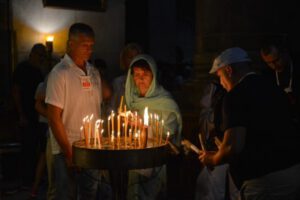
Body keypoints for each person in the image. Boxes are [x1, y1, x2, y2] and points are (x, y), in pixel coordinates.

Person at [199, 47, 300, 199]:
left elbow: (233, 146)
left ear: (229, 70)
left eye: (220, 76)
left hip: (265, 181)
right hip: (294, 172)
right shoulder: (273, 87)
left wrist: (213, 158)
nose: (221, 82)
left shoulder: (235, 95)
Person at [45, 22, 112, 199]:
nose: (89, 50)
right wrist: (68, 153)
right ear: (70, 44)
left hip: (93, 146)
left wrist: (95, 72)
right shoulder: (60, 73)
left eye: (91, 46)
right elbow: (54, 117)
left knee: (92, 193)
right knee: (67, 194)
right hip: (69, 147)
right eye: (84, 45)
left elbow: (107, 93)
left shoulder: (92, 71)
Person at [125, 54, 182, 199]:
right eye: (137, 74)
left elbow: (168, 135)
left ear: (154, 76)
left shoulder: (166, 103)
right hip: (134, 160)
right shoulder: (133, 101)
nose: (140, 79)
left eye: (145, 74)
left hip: (156, 162)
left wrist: (144, 126)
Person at [195, 79, 239, 200]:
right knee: (209, 188)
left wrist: (217, 153)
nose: (205, 94)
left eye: (208, 92)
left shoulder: (222, 108)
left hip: (221, 155)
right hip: (213, 155)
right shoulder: (206, 113)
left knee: (227, 189)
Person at [12, 43, 46, 189]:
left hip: (37, 114)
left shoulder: (38, 72)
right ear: (32, 54)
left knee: (37, 147)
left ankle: (33, 178)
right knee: (28, 147)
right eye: (39, 55)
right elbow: (16, 91)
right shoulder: (22, 68)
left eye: (42, 56)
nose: (41, 58)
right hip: (26, 113)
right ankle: (26, 179)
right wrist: (21, 114)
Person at [260, 42, 300, 126]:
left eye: (276, 60)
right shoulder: (266, 75)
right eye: (268, 63)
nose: (274, 66)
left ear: (285, 53)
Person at [111, 43, 143, 111]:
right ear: (123, 60)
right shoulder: (118, 82)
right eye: (130, 57)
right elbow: (112, 107)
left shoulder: (145, 81)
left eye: (136, 57)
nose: (134, 60)